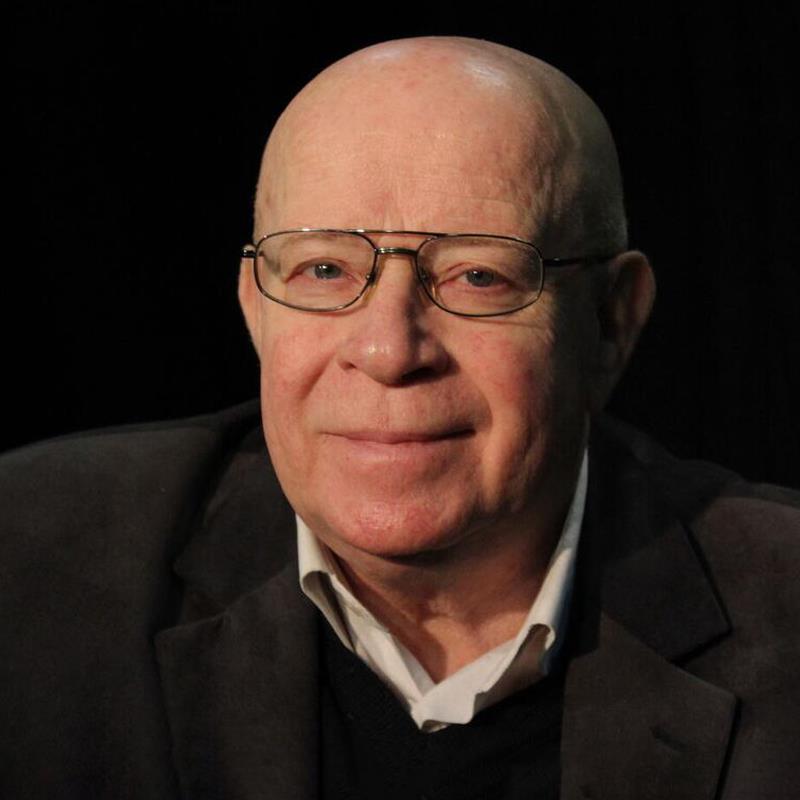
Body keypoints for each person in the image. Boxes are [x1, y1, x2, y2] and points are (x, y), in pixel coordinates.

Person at [2, 36, 799, 800]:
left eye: (477, 276)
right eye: (323, 268)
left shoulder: (784, 610)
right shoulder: (31, 562)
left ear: (612, 321)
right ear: (254, 307)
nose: (388, 350)